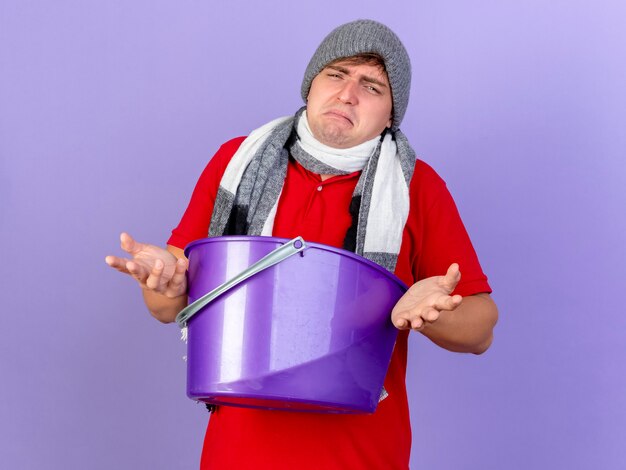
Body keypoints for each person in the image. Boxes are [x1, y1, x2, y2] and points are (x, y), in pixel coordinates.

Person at [106, 19, 498, 469]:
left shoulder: (417, 188)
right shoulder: (236, 162)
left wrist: (428, 314)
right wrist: (163, 282)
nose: (347, 93)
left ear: (391, 113)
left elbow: (481, 330)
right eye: (336, 74)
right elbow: (164, 307)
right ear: (310, 86)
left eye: (371, 85)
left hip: (361, 453)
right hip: (237, 453)